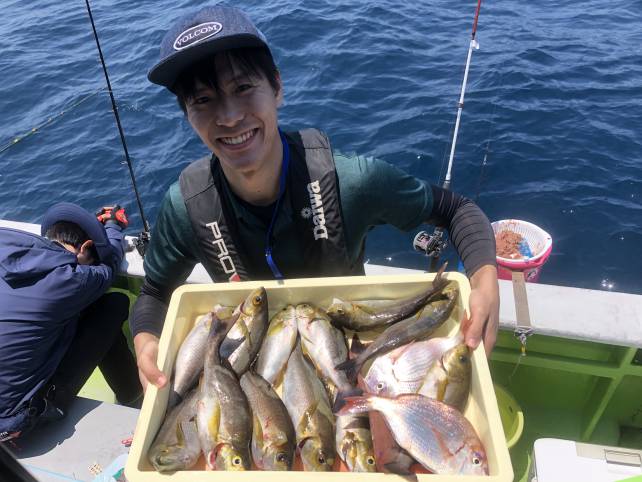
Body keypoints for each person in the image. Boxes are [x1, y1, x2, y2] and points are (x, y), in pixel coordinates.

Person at [132, 5, 500, 391]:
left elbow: (457, 210)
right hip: (252, 383)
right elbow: (155, 292)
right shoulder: (186, 207)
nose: (228, 116)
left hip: (354, 367)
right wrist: (146, 340)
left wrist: (484, 281)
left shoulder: (352, 182)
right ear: (187, 115)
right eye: (202, 100)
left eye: (243, 88)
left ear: (277, 87)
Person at [0, 203, 141, 442]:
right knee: (111, 306)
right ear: (85, 248)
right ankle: (134, 398)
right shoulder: (71, 280)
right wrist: (113, 226)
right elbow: (110, 262)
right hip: (12, 424)